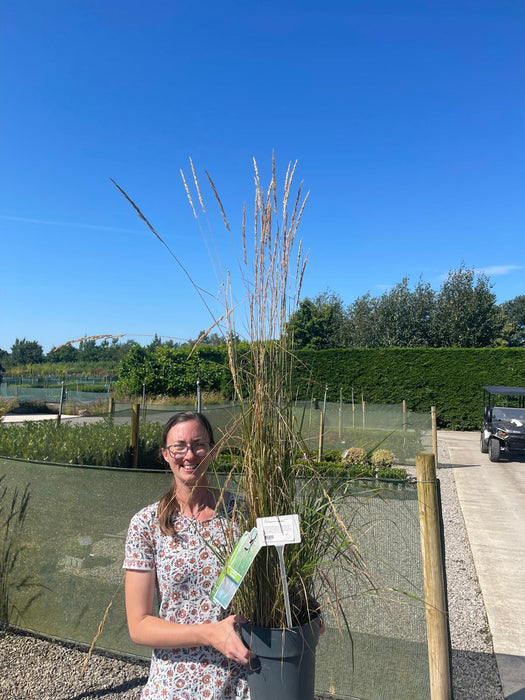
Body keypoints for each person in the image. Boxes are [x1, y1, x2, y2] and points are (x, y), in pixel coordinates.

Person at [123, 411, 254, 699]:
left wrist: (305, 614)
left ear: (212, 450)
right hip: (173, 683)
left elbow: (272, 583)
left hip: (237, 681)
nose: (189, 454)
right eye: (178, 446)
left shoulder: (242, 514)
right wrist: (209, 633)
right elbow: (139, 625)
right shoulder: (147, 524)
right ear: (165, 454)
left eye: (199, 445)